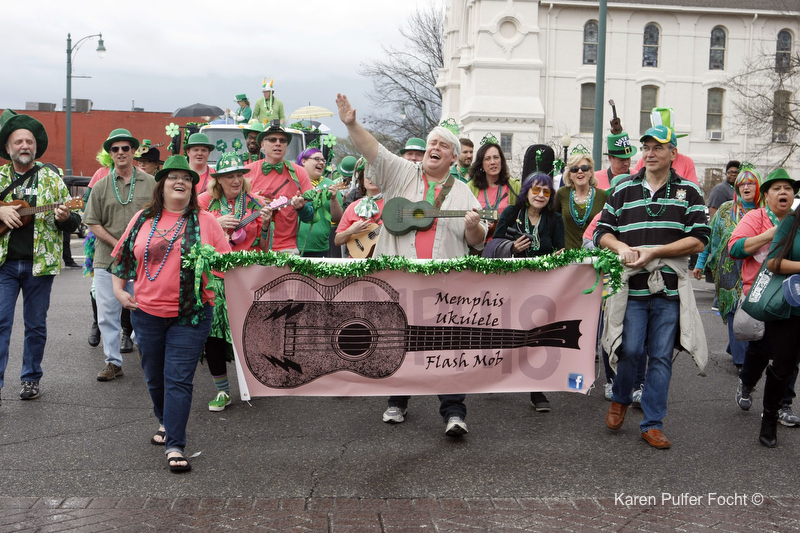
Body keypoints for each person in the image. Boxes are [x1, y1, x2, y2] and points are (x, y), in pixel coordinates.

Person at [337, 92, 487, 437]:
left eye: (442, 145)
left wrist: (472, 226)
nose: (433, 147)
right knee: (397, 337)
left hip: (444, 283)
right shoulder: (402, 172)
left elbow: (478, 240)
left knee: (445, 343)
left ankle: (453, 412)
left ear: (453, 157)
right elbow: (373, 149)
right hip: (399, 277)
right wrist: (351, 124)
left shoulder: (464, 193)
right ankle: (397, 401)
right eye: (431, 141)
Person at [110, 155, 231, 472]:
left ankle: (175, 444)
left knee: (178, 379)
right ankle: (164, 420)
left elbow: (226, 265)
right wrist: (120, 291)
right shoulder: (142, 219)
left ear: (193, 186)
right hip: (146, 313)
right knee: (154, 375)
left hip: (191, 315)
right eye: (174, 176)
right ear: (161, 184)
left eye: (188, 178)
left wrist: (213, 267)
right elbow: (122, 258)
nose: (181, 182)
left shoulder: (207, 222)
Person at [596, 124, 709, 449]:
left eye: (658, 147)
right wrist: (620, 248)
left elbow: (700, 239)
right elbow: (602, 231)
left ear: (673, 153)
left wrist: (655, 251)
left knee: (660, 356)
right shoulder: (622, 189)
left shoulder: (689, 191)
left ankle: (652, 423)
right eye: (646, 146)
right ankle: (620, 396)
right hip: (630, 290)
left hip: (669, 292)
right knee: (630, 349)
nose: (650, 152)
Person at [0, 109, 81, 401]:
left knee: (35, 325)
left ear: (36, 147)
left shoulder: (51, 178)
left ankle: (31, 377)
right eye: (18, 141)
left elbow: (75, 222)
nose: (25, 146)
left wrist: (63, 217)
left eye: (29, 141)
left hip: (40, 265)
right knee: (1, 323)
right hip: (4, 266)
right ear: (8, 148)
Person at [84, 128, 157, 381]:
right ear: (110, 154)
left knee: (144, 309)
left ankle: (145, 350)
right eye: (115, 149)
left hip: (143, 260)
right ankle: (113, 362)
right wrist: (118, 245)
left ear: (133, 151)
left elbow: (160, 217)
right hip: (108, 259)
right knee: (107, 313)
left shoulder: (151, 183)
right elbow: (92, 222)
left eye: (125, 148)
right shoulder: (101, 185)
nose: (120, 152)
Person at [198, 152, 269, 412]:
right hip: (215, 278)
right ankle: (222, 391)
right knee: (214, 336)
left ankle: (255, 384)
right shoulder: (203, 202)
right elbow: (191, 236)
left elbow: (264, 247)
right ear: (218, 179)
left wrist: (267, 225)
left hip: (245, 278)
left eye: (240, 175)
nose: (236, 180)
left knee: (251, 332)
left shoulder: (255, 203)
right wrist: (215, 223)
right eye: (230, 176)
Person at [728, 169, 800, 427]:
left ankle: (784, 404)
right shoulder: (755, 217)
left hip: (791, 296)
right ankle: (747, 383)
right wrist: (772, 234)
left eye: (788, 188)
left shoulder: (797, 220)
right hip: (759, 294)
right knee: (762, 348)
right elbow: (735, 249)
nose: (783, 192)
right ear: (766, 195)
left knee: (790, 353)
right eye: (777, 188)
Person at [692, 165, 763, 370]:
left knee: (752, 311)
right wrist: (699, 263)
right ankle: (742, 361)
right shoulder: (725, 210)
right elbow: (710, 237)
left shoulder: (765, 212)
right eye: (741, 184)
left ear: (758, 186)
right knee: (733, 310)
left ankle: (737, 346)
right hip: (728, 271)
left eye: (751, 183)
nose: (746, 187)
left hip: (756, 271)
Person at [762, 186, 800, 446]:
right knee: (784, 367)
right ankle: (770, 416)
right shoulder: (791, 223)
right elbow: (773, 262)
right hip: (792, 309)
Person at [245, 121, 313, 254]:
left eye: (282, 140)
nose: (278, 143)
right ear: (262, 145)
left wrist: (301, 208)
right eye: (272, 139)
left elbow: (309, 216)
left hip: (287, 248)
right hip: (252, 247)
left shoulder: (299, 172)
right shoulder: (247, 171)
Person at [466, 140, 520, 242]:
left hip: (505, 245)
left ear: (501, 161)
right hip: (478, 246)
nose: (492, 162)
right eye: (487, 159)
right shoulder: (470, 188)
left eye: (496, 157)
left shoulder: (514, 186)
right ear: (481, 164)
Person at [554, 152, 607, 251]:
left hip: (595, 258)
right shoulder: (562, 194)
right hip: (568, 258)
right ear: (569, 174)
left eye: (584, 168)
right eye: (574, 169)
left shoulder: (603, 196)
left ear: (591, 172)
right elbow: (554, 223)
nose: (580, 171)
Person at [630, 107, 698, 185]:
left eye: (658, 148)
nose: (650, 154)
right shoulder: (643, 161)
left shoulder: (686, 162)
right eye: (646, 148)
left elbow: (692, 190)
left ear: (673, 152)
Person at [297, 148, 344, 257]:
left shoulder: (330, 185)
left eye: (323, 160)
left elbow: (337, 219)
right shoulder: (293, 182)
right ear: (304, 161)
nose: (321, 163)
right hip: (293, 245)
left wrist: (333, 199)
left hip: (319, 247)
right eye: (317, 159)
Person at [334, 164, 383, 254]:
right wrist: (351, 231)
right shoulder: (353, 206)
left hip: (386, 261)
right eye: (367, 175)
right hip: (357, 262)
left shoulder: (392, 204)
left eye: (376, 175)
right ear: (362, 180)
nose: (371, 178)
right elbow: (337, 241)